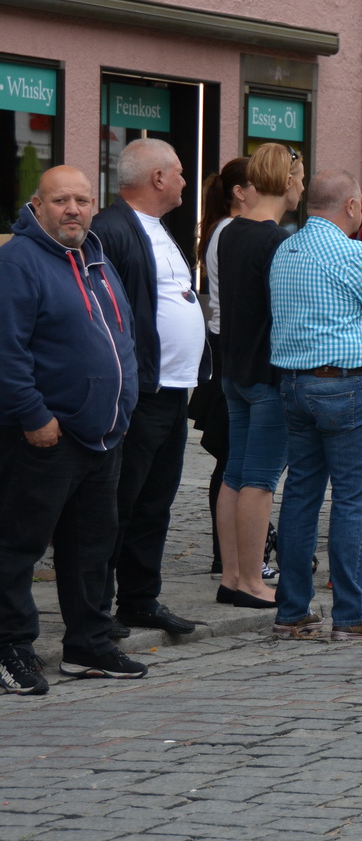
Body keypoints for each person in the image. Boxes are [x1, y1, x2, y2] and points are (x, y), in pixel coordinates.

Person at [0, 165, 147, 690]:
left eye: (82, 201)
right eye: (61, 200)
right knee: (18, 546)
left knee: (91, 548)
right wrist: (34, 415)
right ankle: (11, 647)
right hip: (45, 435)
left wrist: (122, 404)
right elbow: (7, 350)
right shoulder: (18, 262)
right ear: (37, 206)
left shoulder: (95, 258)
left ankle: (88, 645)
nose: (73, 210)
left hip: (102, 434)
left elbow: (121, 335)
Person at [268, 170, 362, 641]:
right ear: (351, 206)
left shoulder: (286, 250)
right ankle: (351, 612)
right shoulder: (353, 253)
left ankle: (292, 610)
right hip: (346, 386)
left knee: (301, 496)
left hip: (294, 385)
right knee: (353, 500)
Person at [89, 139, 203, 638]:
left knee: (155, 502)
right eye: (178, 172)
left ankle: (140, 598)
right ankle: (96, 607)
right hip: (139, 392)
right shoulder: (111, 229)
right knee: (119, 502)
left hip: (174, 389)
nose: (184, 181)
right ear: (157, 178)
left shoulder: (160, 227)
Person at [216, 143, 304, 609]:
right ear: (287, 182)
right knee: (260, 480)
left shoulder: (231, 231)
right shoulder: (277, 241)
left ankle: (232, 576)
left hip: (234, 368)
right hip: (267, 374)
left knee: (235, 474)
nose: (302, 189)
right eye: (300, 180)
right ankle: (252, 580)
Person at [193, 157, 255, 578]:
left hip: (224, 348)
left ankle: (230, 552)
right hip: (227, 350)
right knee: (233, 460)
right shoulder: (229, 231)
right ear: (239, 192)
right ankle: (227, 554)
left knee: (233, 457)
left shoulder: (223, 228)